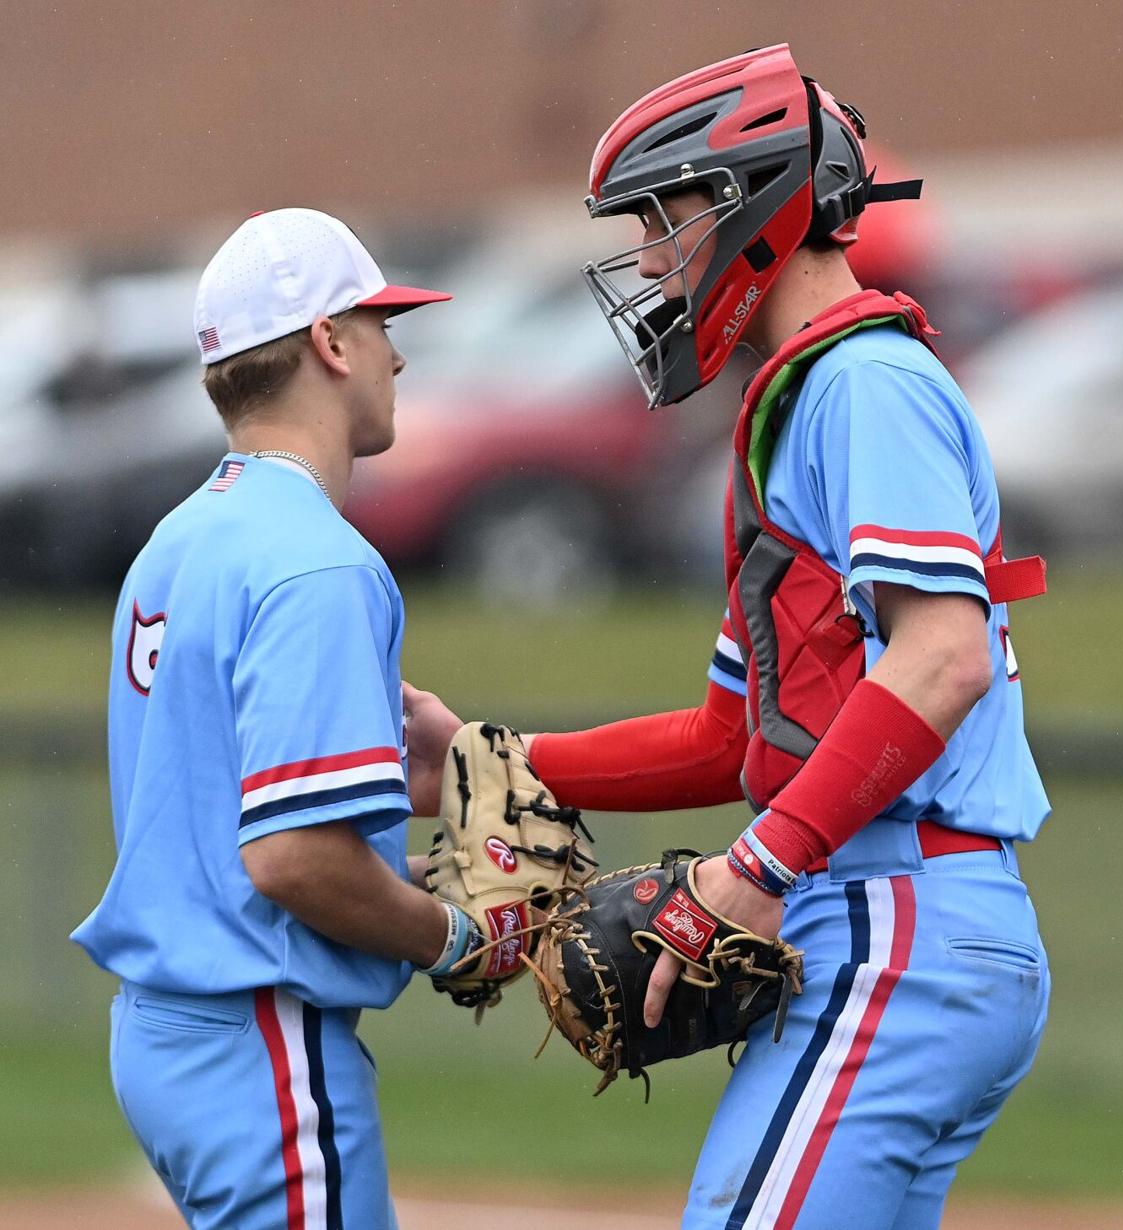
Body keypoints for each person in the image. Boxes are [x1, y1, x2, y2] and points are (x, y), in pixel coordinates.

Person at [418, 44, 1052, 1228]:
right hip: (891, 920)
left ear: (750, 202)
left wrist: (757, 868)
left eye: (664, 220)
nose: (651, 260)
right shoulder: (808, 395)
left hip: (894, 920)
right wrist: (503, 761)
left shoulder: (864, 380)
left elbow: (944, 656)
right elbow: (732, 739)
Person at [71, 207, 478, 1229]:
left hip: (170, 1036)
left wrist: (390, 845)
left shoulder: (177, 540)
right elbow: (293, 862)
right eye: (380, 323)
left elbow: (225, 822)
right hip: (260, 1038)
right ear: (330, 344)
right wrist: (456, 938)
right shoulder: (320, 559)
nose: (400, 352)